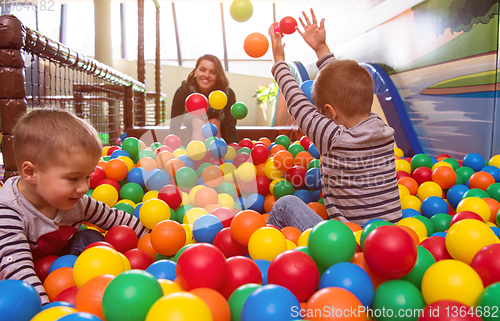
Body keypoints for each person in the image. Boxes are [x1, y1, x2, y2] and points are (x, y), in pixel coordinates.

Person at [267, 9, 402, 231]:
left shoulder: (334, 138)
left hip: (349, 241)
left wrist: (279, 59)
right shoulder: (383, 129)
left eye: (321, 113)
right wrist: (321, 47)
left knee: (284, 204)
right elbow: (344, 86)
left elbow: (296, 101)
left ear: (330, 113)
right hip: (391, 236)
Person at [0, 108, 150, 305]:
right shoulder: (9, 212)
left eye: (87, 176)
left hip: (58, 265)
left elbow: (115, 218)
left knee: (92, 238)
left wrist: (151, 240)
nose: (84, 187)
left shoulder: (77, 201)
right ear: (31, 173)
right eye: (73, 178)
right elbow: (17, 269)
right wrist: (46, 308)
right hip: (19, 267)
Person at [169, 54, 239, 145]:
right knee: (199, 121)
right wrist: (170, 146)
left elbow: (231, 127)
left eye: (213, 72)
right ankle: (198, 155)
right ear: (195, 71)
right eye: (202, 70)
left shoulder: (227, 93)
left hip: (218, 121)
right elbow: (175, 124)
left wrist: (235, 149)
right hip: (192, 119)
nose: (206, 75)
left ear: (218, 76)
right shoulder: (184, 90)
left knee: (214, 121)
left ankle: (216, 157)